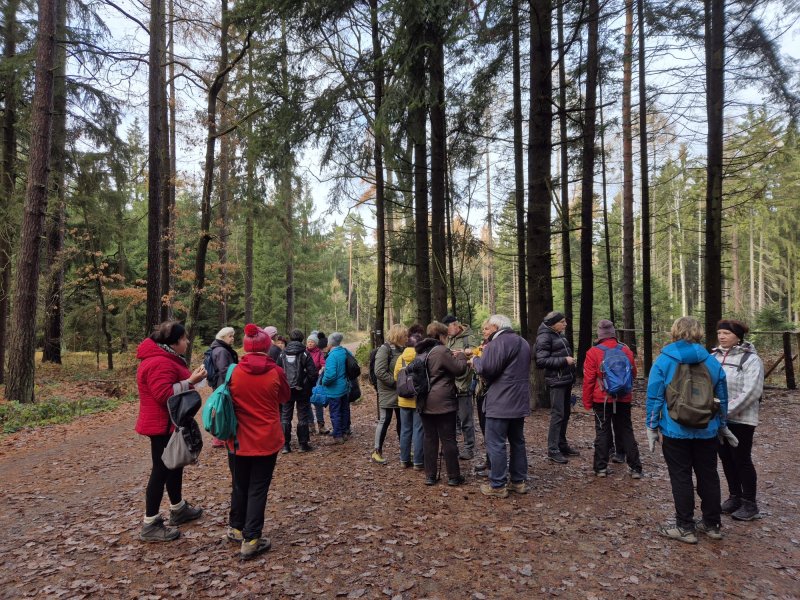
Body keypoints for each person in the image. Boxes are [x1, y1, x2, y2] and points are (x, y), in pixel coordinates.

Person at [646, 316, 735, 544]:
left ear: (674, 332)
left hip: (675, 429)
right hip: (707, 429)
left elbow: (655, 396)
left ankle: (685, 527)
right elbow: (722, 398)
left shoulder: (664, 360)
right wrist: (722, 425)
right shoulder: (712, 361)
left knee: (681, 476)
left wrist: (652, 426)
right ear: (698, 333)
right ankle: (712, 524)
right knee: (709, 475)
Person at [135, 321, 206, 542]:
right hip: (161, 425)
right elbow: (164, 394)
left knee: (174, 465)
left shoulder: (165, 358)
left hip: (170, 423)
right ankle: (151, 523)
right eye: (184, 338)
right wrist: (191, 381)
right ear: (173, 343)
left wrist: (190, 381)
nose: (186, 342)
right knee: (161, 470)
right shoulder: (159, 363)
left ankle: (178, 508)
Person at [226, 323, 290, 559]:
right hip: (266, 439)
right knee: (258, 488)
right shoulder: (275, 372)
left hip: (237, 440)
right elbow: (284, 397)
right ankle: (251, 539)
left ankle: (236, 527)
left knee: (239, 484)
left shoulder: (233, 371)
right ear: (266, 347)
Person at [470, 315, 531, 498]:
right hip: (519, 400)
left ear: (496, 326)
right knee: (517, 441)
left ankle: (498, 485)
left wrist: (475, 361)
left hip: (501, 401)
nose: (484, 331)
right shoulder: (523, 342)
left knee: (495, 443)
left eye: (487, 327)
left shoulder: (499, 343)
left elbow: (487, 370)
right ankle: (518, 482)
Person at [712, 319, 764, 521]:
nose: (722, 336)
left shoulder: (751, 360)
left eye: (726, 333)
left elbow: (752, 391)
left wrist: (725, 410)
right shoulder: (713, 356)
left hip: (742, 419)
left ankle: (750, 503)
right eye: (719, 333)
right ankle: (735, 496)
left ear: (738, 336)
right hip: (717, 418)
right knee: (725, 457)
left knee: (741, 458)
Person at [582, 319, 642, 478]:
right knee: (626, 430)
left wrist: (587, 402)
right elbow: (634, 373)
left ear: (599, 334)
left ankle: (600, 467)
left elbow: (588, 380)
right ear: (613, 333)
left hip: (601, 399)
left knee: (602, 431)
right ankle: (635, 468)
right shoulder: (626, 350)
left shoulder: (593, 352)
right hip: (623, 397)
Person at [416, 321, 468, 486]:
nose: (447, 339)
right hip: (443, 401)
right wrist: (461, 355)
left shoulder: (421, 351)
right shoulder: (440, 350)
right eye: (445, 336)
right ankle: (453, 476)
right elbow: (458, 369)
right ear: (440, 335)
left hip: (424, 401)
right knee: (448, 439)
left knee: (429, 438)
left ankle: (430, 475)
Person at [535, 311, 579, 463]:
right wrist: (564, 361)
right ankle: (552, 449)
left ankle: (561, 444)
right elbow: (540, 361)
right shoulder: (544, 337)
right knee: (558, 414)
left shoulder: (558, 334)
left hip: (566, 380)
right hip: (556, 381)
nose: (565, 324)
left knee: (565, 413)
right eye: (562, 322)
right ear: (553, 323)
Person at [277, 328, 319, 454]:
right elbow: (313, 373)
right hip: (302, 391)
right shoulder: (305, 354)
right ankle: (303, 444)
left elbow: (277, 371)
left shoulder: (282, 354)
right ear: (302, 339)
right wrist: (308, 386)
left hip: (286, 390)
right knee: (303, 416)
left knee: (285, 417)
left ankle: (285, 445)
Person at [371, 324, 407, 464]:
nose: (406, 338)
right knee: (384, 420)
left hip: (401, 392)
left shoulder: (402, 349)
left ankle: (405, 450)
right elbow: (379, 371)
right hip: (388, 392)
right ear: (398, 336)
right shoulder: (384, 350)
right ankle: (376, 451)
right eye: (404, 335)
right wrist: (395, 383)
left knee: (402, 422)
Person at [443, 315, 476, 461]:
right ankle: (452, 448)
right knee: (451, 419)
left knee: (466, 419)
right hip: (450, 384)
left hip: (464, 384)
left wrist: (462, 353)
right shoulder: (449, 338)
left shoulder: (469, 337)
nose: (447, 332)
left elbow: (477, 354)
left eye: (449, 329)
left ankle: (469, 449)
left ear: (456, 325)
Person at [394, 328, 425, 470]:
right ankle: (418, 462)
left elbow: (396, 377)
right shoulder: (422, 358)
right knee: (418, 430)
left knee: (405, 430)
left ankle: (404, 460)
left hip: (403, 400)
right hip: (418, 399)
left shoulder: (401, 358)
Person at [207, 327, 239, 448]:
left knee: (220, 409)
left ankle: (219, 438)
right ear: (222, 337)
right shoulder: (222, 351)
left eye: (233, 336)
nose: (232, 338)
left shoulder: (219, 349)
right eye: (230, 336)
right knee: (222, 410)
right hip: (223, 384)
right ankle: (219, 438)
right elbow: (225, 370)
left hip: (220, 384)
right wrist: (234, 382)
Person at [321, 332, 351, 443]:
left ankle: (338, 436)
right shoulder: (344, 351)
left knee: (335, 412)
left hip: (335, 390)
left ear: (331, 343)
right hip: (344, 386)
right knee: (344, 410)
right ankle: (344, 432)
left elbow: (330, 375)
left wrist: (323, 381)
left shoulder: (332, 356)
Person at [306, 333, 329, 435]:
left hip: (316, 380)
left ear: (315, 343)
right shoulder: (304, 352)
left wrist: (322, 369)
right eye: (308, 342)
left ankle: (321, 425)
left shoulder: (319, 353)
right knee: (307, 403)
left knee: (317, 402)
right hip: (306, 381)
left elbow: (323, 363)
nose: (310, 343)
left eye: (312, 342)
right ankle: (311, 425)